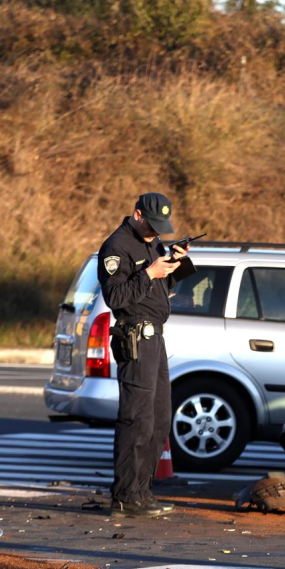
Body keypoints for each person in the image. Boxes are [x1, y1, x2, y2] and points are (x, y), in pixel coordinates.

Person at [98, 193, 190, 518]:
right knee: (136, 419)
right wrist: (149, 272)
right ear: (137, 215)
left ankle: (141, 493)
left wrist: (177, 263)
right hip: (135, 336)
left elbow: (160, 287)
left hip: (156, 337)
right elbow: (116, 296)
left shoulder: (151, 243)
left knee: (160, 419)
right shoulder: (117, 246)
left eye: (160, 228)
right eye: (152, 226)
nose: (156, 233)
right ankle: (124, 497)